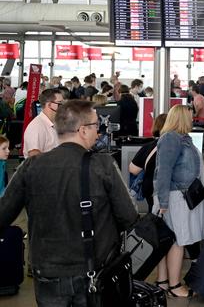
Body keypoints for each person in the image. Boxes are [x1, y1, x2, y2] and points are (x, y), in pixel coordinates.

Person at [0, 100, 138, 306]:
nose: (98, 132)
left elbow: (3, 214)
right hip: (93, 269)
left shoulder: (31, 166)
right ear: (82, 130)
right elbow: (129, 217)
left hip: (47, 270)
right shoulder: (103, 165)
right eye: (96, 126)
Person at [153, 105, 204, 298]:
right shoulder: (171, 139)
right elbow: (164, 172)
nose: (193, 119)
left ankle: (162, 281)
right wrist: (163, 202)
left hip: (176, 197)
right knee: (177, 242)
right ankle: (175, 285)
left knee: (167, 241)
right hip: (174, 198)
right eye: (190, 117)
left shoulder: (179, 139)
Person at [129, 114, 168, 212]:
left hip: (151, 190)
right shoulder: (177, 146)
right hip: (169, 191)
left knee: (154, 216)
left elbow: (133, 169)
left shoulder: (149, 147)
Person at [23, 88, 63, 157]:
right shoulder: (36, 127)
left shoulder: (55, 123)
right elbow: (34, 157)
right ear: (49, 105)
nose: (63, 107)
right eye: (59, 103)